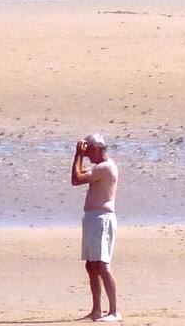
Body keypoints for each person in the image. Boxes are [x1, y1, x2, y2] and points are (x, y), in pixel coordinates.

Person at [71, 134, 122, 322]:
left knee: (102, 265)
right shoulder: (99, 167)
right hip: (93, 218)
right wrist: (81, 156)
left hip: (102, 219)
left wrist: (78, 154)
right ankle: (96, 311)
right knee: (91, 265)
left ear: (96, 148)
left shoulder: (106, 167)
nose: (87, 154)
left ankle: (114, 311)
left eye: (89, 150)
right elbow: (80, 176)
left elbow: (76, 179)